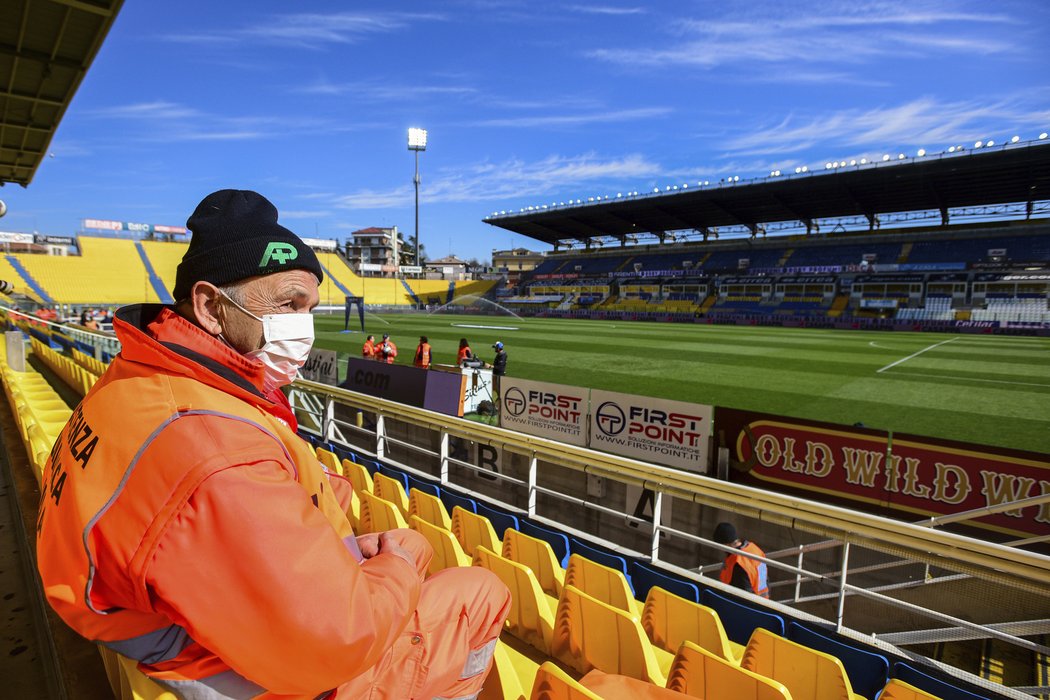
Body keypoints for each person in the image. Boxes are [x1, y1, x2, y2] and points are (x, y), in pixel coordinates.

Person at [35, 189, 510, 699]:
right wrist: (402, 559)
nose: (302, 326)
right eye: (288, 304)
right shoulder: (217, 448)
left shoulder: (137, 377)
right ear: (211, 306)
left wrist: (345, 547)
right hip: (235, 666)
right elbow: (338, 642)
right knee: (481, 593)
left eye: (309, 307)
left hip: (158, 623)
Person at [712, 522, 769, 598]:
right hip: (764, 599)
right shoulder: (755, 549)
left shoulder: (738, 563)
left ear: (725, 544)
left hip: (750, 604)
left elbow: (743, 594)